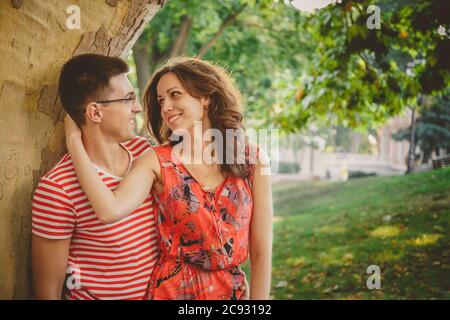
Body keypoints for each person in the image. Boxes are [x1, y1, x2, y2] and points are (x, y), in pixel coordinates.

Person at [65, 57, 273, 300]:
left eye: (175, 95)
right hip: (173, 292)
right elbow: (109, 210)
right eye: (161, 100)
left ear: (205, 97)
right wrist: (74, 144)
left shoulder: (254, 161)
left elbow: (261, 251)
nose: (165, 107)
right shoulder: (156, 161)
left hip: (232, 294)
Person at [31, 54, 159, 299]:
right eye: (128, 99)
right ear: (95, 113)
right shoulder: (57, 190)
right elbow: (48, 291)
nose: (137, 107)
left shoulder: (145, 154)